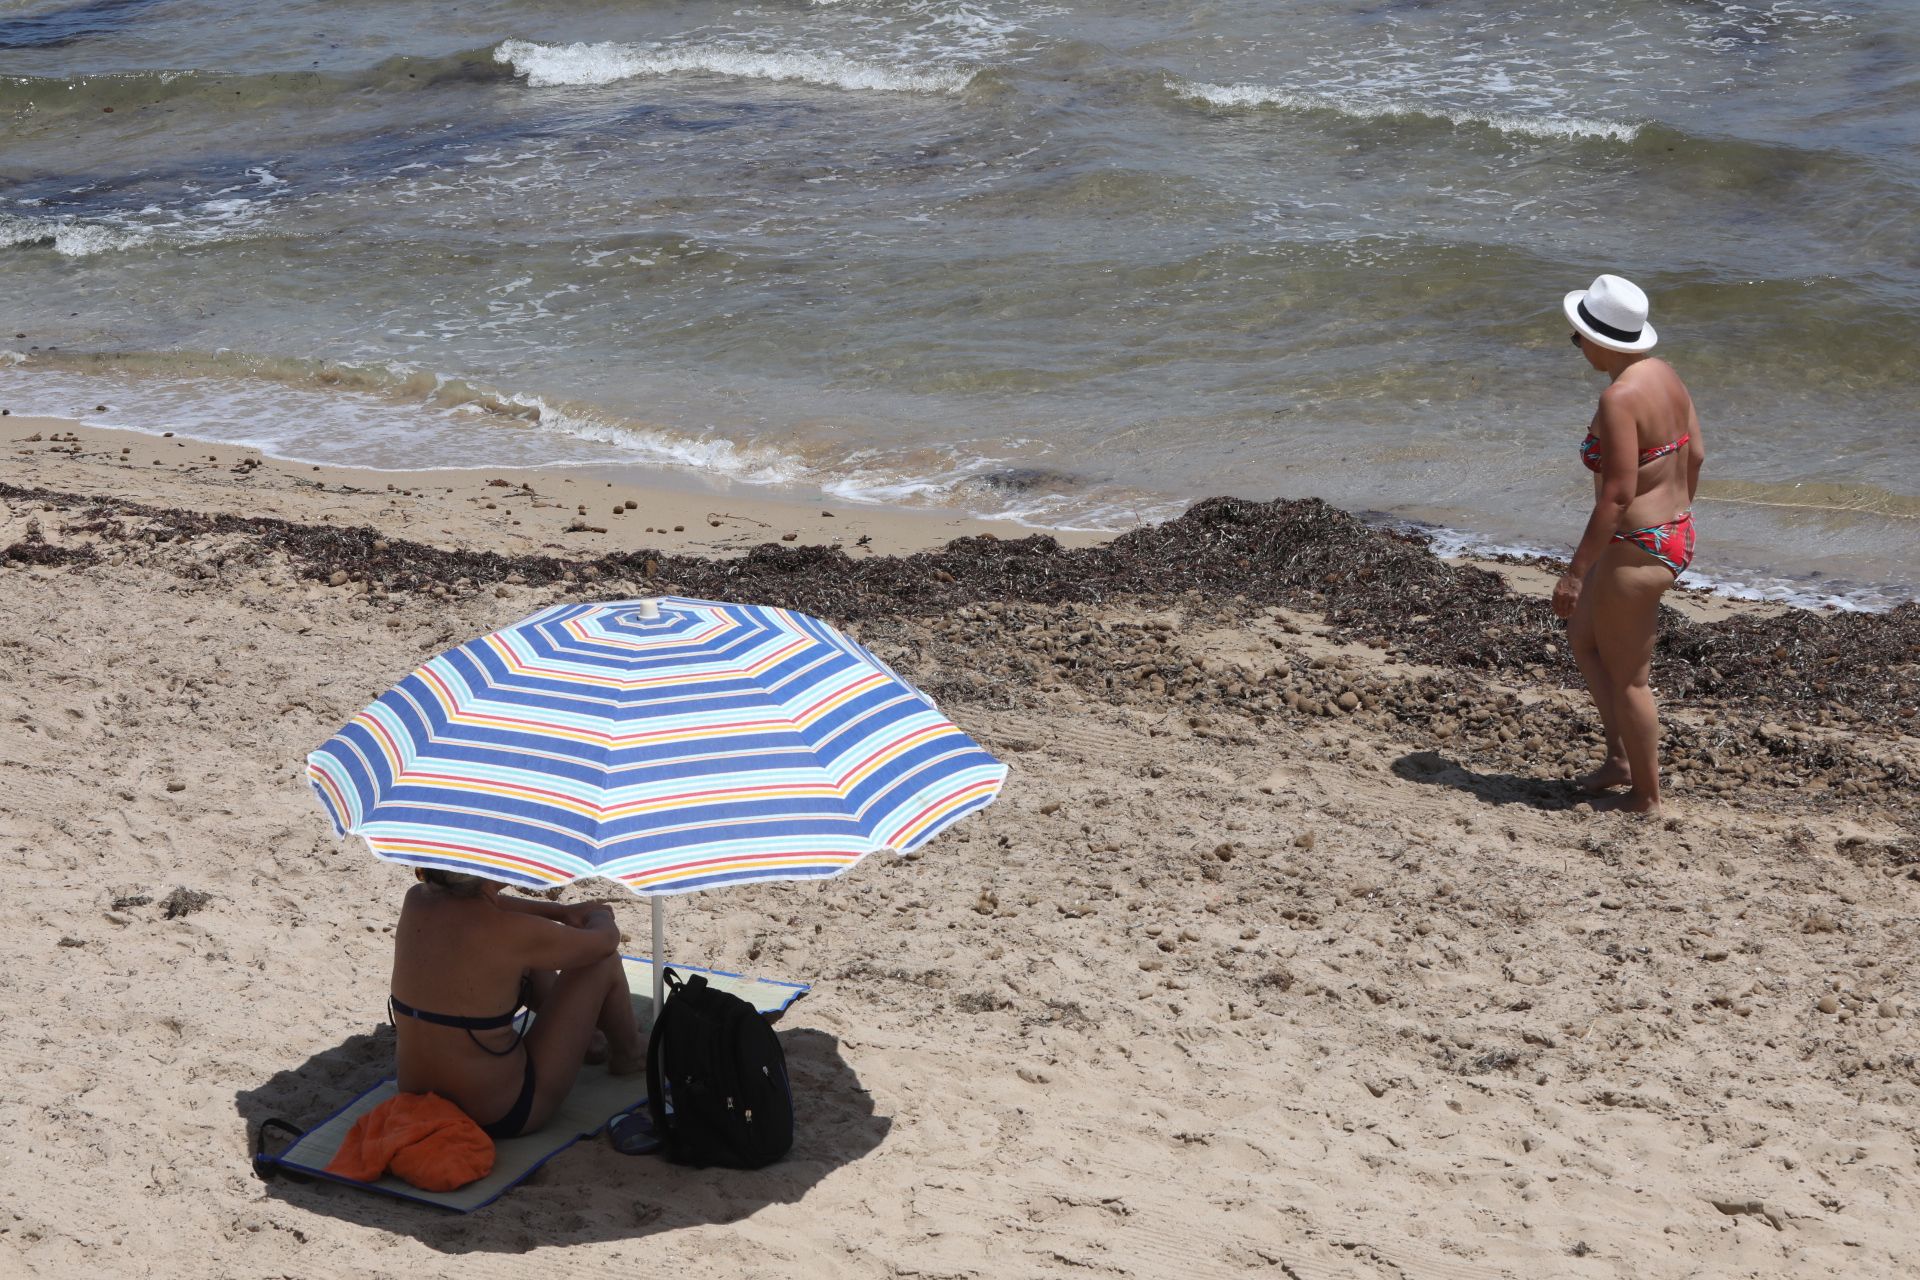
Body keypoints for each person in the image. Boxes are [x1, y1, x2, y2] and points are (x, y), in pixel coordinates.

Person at [1552, 274, 1705, 814]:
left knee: (1631, 680)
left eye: (1579, 337)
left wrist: (1575, 573)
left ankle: (1646, 796)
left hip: (1636, 544)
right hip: (1670, 533)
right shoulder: (1665, 375)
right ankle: (1619, 760)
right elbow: (1697, 454)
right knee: (1584, 639)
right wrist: (1675, 515)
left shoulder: (1619, 398)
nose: (1577, 346)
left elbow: (1616, 497)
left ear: (1604, 341)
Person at [389, 868, 646, 1139]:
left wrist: (561, 912)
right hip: (503, 1112)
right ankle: (630, 1053)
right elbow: (604, 943)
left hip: (416, 1092)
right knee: (601, 963)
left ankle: (591, 1041)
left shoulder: (416, 899)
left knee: (527, 961)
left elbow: (492, 906)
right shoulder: (511, 931)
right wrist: (599, 915)